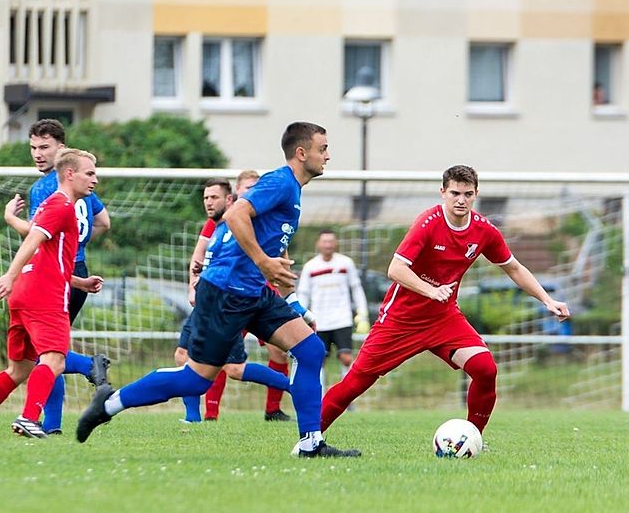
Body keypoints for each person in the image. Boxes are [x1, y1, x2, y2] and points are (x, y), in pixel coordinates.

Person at [77, 122, 360, 458]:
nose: (327, 155)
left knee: (311, 350)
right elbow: (236, 213)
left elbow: (262, 234)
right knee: (196, 380)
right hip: (225, 291)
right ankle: (108, 403)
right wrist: (262, 260)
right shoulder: (280, 182)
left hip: (253, 291)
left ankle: (310, 444)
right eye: (322, 148)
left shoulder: (292, 188)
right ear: (302, 153)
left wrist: (274, 270)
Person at [320, 165, 569, 435]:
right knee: (356, 382)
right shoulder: (428, 223)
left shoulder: (484, 231)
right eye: (455, 193)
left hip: (443, 319)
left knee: (485, 369)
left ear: (475, 194)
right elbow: (396, 269)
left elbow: (514, 268)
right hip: (401, 320)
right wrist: (431, 290)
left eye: (467, 194)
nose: (461, 199)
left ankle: (471, 438)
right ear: (443, 193)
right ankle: (309, 439)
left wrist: (547, 300)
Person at [0, 149, 104, 438]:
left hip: (25, 293)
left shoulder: (51, 204)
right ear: (69, 174)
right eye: (90, 173)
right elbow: (33, 240)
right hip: (44, 296)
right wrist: (9, 274)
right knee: (54, 360)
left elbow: (47, 257)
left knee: (19, 369)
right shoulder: (61, 206)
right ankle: (28, 418)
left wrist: (78, 282)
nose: (94, 179)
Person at [3, 119, 111, 435]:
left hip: (57, 277)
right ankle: (51, 426)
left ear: (61, 149)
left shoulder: (48, 186)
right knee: (48, 353)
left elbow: (36, 233)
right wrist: (77, 241)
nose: (37, 154)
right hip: (75, 272)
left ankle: (88, 368)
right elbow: (104, 222)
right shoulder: (82, 183)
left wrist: (11, 218)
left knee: (48, 354)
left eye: (45, 147)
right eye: (33, 148)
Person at [174, 176, 295, 423]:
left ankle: (290, 391)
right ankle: (196, 417)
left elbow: (276, 255)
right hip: (213, 295)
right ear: (237, 192)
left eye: (213, 197)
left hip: (238, 298)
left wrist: (289, 296)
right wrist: (194, 284)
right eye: (206, 198)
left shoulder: (253, 221)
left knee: (237, 368)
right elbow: (201, 256)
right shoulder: (216, 223)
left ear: (230, 198)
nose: (208, 202)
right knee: (183, 355)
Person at [297, 229, 369, 388]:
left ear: (335, 243)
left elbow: (356, 289)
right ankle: (321, 399)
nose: (327, 245)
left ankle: (347, 396)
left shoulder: (345, 263)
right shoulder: (311, 267)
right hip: (319, 321)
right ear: (318, 244)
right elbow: (303, 294)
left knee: (346, 358)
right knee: (318, 360)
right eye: (324, 241)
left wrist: (362, 314)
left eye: (330, 241)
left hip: (342, 319)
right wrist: (302, 317)